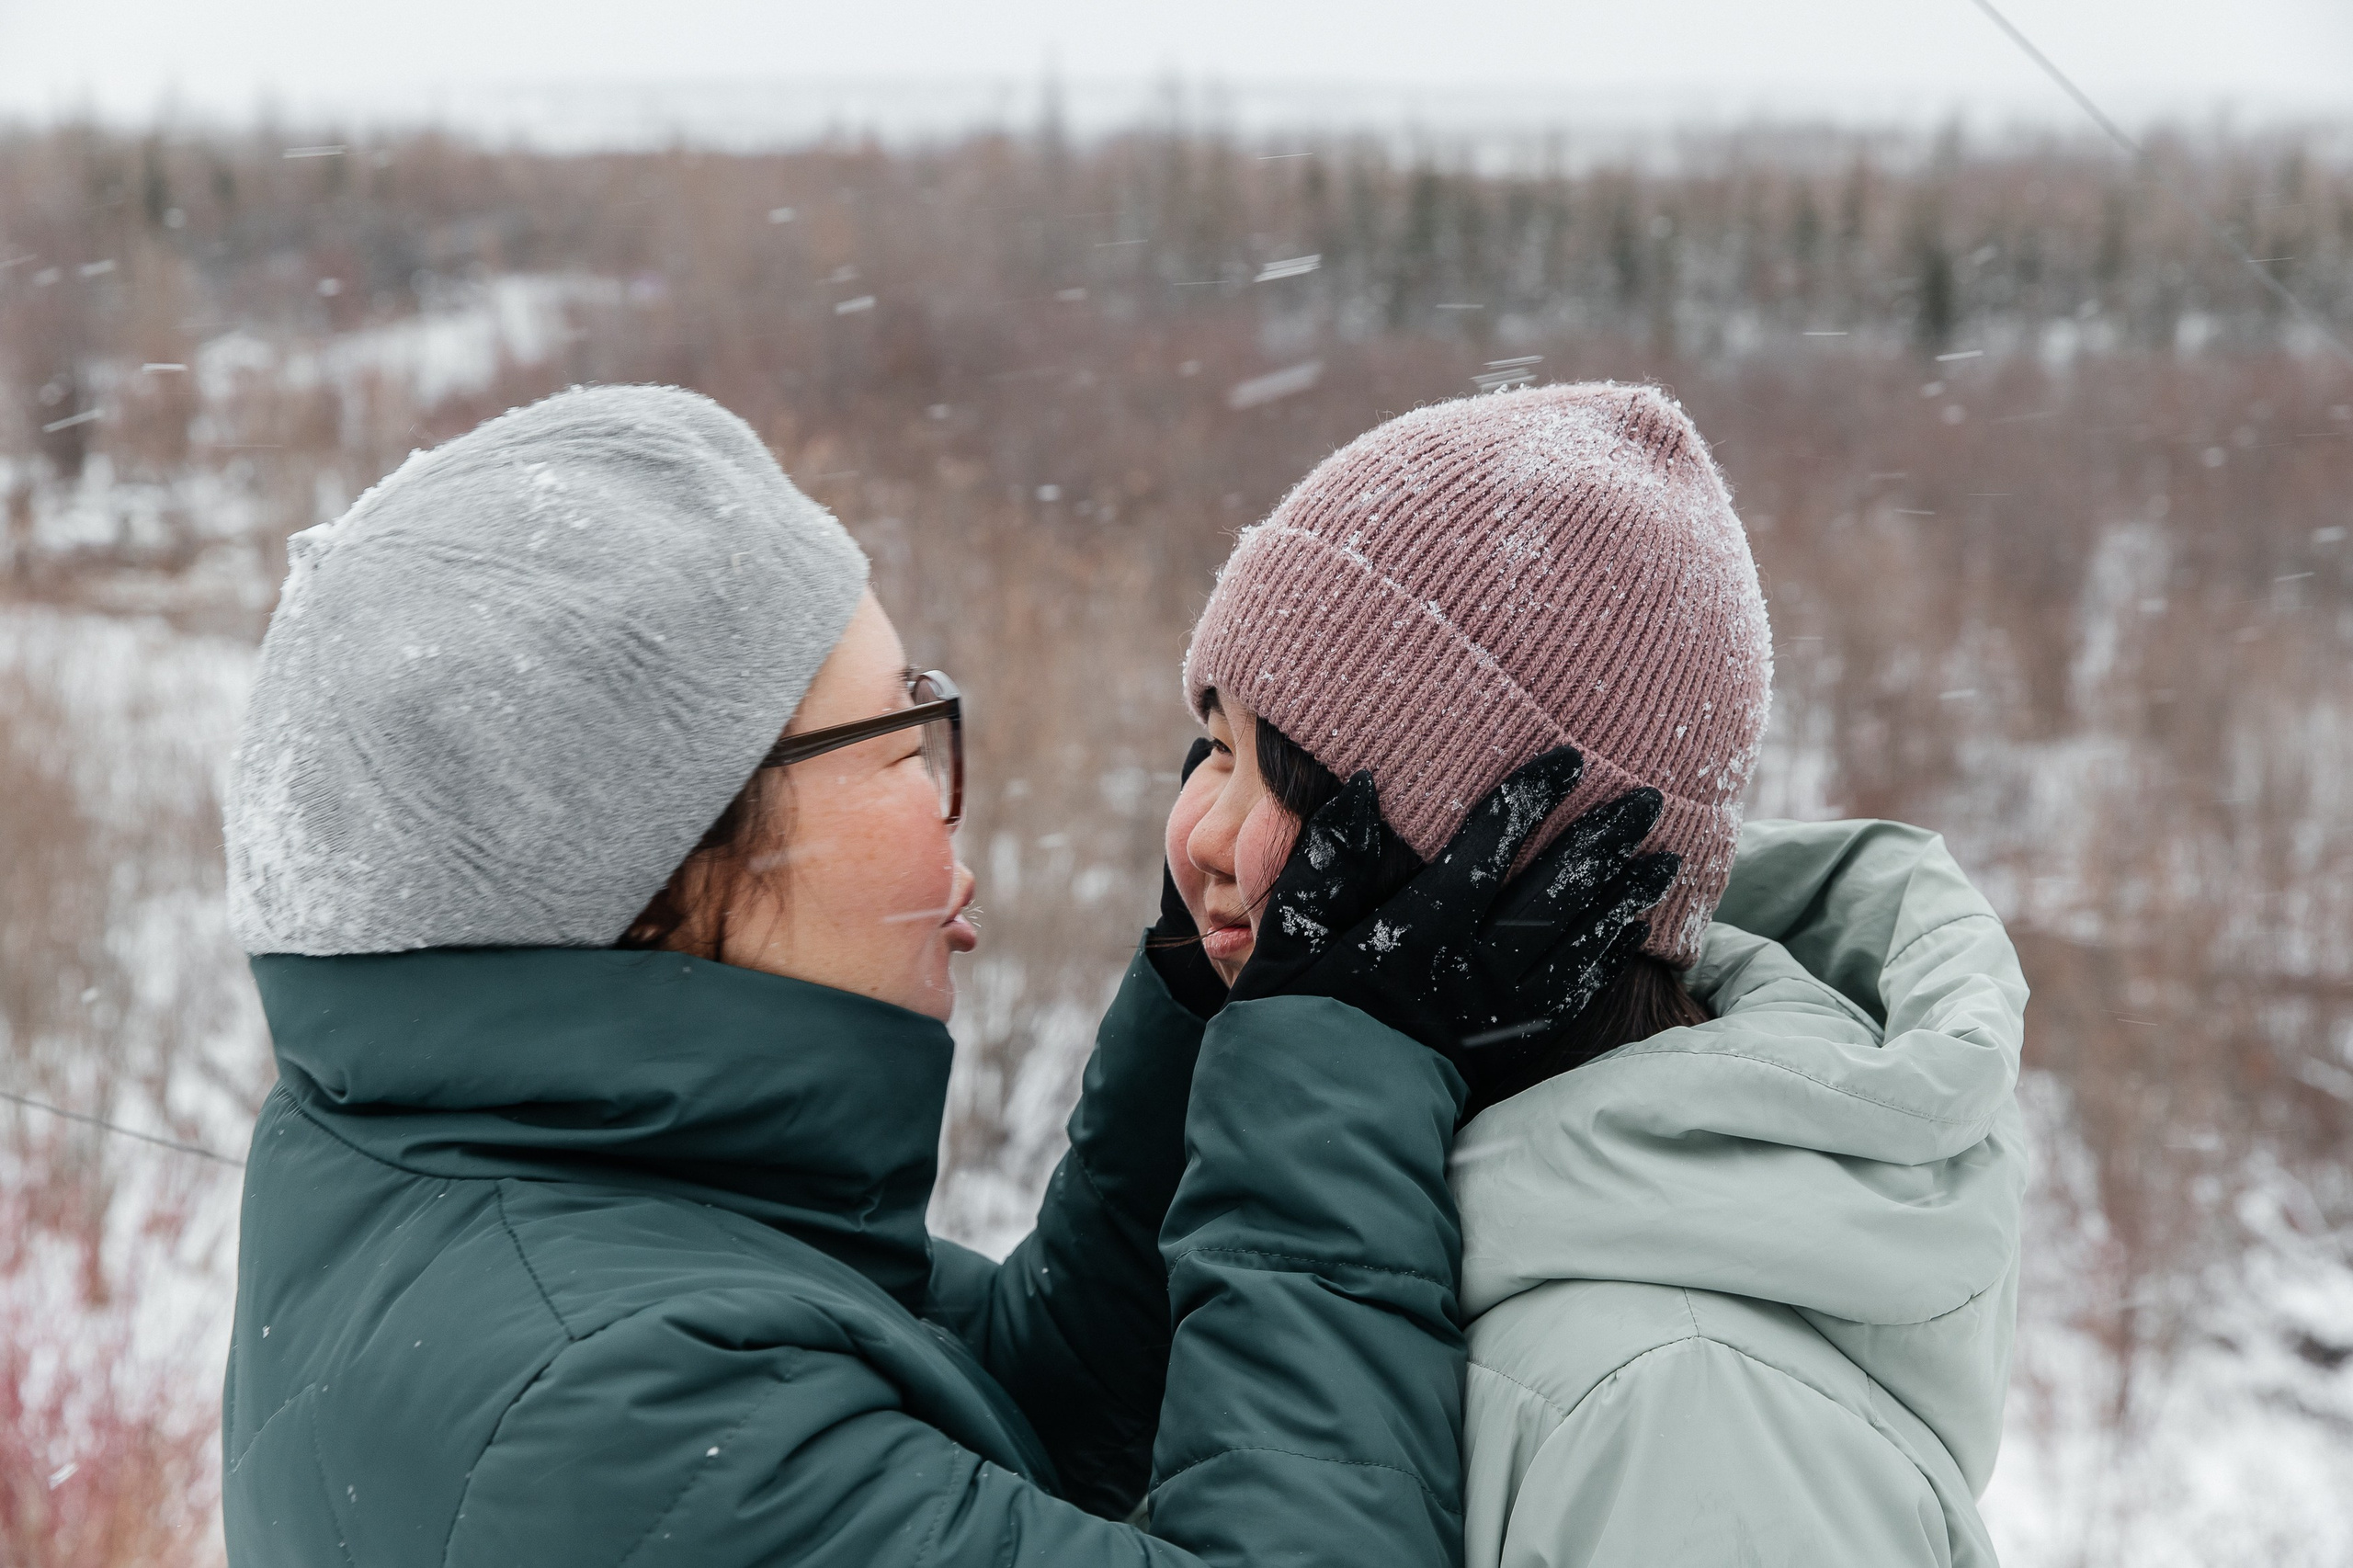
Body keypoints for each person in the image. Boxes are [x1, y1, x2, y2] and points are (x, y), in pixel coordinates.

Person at [214, 383, 1667, 1568]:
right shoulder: (610, 1415)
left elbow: (1036, 1412)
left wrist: (1211, 982)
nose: (945, 797)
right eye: (900, 740)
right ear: (659, 864)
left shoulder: (554, 1194)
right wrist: (1334, 1058)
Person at [1166, 381, 2027, 1567]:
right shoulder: (1367, 1238)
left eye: (1287, 785)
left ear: (1502, 874)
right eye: (1213, 749)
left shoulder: (1682, 1423)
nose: (1202, 835)